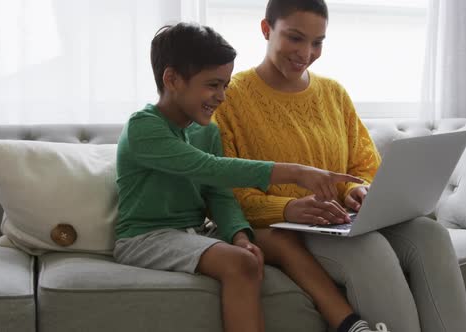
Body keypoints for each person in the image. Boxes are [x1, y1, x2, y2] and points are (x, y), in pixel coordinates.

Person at [214, 0, 466, 331]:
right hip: (287, 230)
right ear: (267, 30)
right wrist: (289, 208)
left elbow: (364, 165)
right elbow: (224, 192)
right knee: (369, 248)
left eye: (317, 42)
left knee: (431, 233)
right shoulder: (229, 99)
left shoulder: (333, 93)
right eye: (295, 38)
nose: (306, 52)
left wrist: (356, 190)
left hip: (343, 220)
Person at [112, 22, 367, 332]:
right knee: (241, 264)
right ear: (172, 79)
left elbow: (219, 193)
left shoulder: (206, 130)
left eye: (225, 85)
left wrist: (240, 236)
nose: (221, 96)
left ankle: (351, 325)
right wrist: (296, 173)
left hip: (196, 231)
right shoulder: (144, 127)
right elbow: (210, 168)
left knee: (280, 240)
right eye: (212, 84)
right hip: (146, 237)